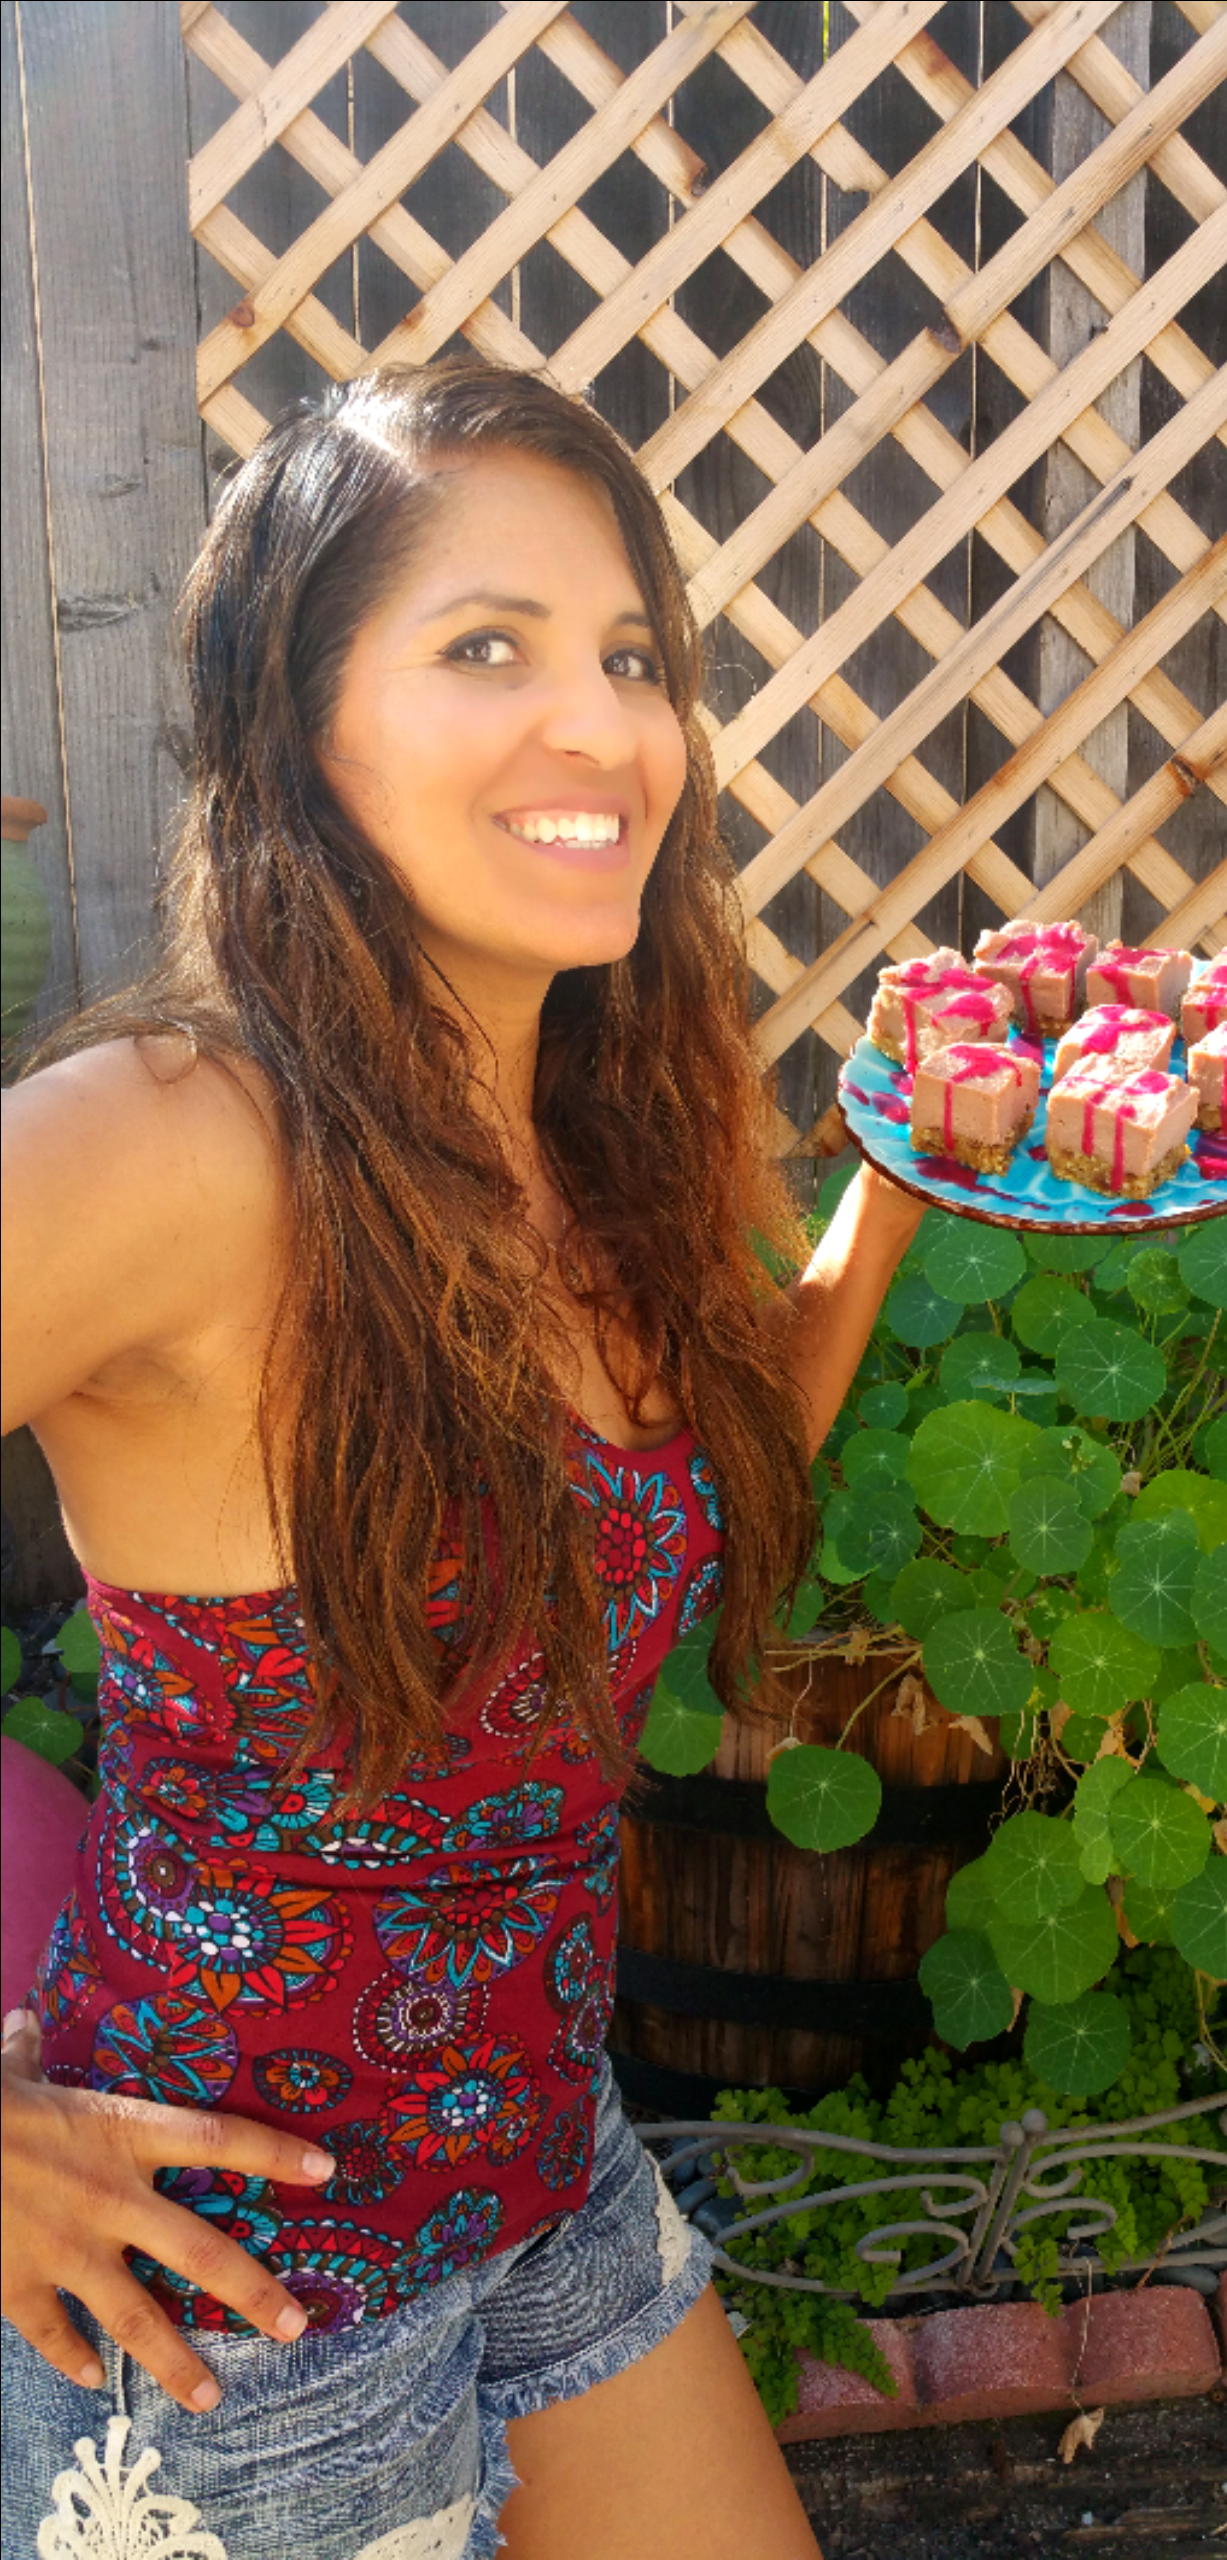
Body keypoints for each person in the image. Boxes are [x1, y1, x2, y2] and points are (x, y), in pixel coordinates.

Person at [0, 359, 925, 2560]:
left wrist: (898, 1179)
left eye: (634, 658)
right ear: (297, 722)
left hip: (544, 2182)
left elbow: (642, 1534)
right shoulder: (182, 1141)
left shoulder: (584, 1144)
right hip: (234, 2309)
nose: (600, 723)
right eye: (488, 647)